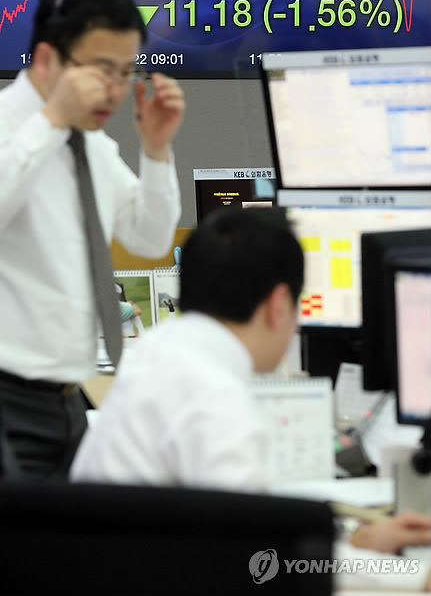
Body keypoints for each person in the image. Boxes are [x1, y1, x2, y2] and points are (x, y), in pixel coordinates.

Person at [71, 207, 431, 591]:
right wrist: (413, 575)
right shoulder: (214, 397)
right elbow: (257, 558)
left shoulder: (160, 351)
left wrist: (352, 542)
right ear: (279, 305)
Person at [0, 0, 184, 479]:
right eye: (103, 71)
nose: (117, 91)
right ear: (47, 60)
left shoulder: (91, 146)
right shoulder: (12, 128)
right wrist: (51, 120)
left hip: (68, 402)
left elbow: (149, 238)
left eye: (127, 73)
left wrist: (156, 150)